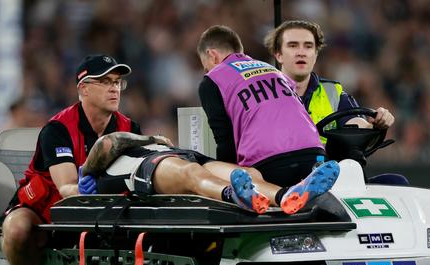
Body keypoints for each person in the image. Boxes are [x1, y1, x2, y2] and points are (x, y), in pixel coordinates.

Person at [0, 54, 141, 265]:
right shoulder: (58, 129)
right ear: (83, 89)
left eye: (117, 82)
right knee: (15, 229)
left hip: (101, 214)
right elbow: (66, 187)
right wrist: (93, 187)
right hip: (47, 213)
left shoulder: (128, 128)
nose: (114, 88)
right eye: (104, 82)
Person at [196, 25, 336, 188]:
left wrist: (227, 180)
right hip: (314, 155)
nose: (207, 71)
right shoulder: (273, 70)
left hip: (268, 166)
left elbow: (224, 141)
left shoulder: (213, 79)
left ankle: (280, 194)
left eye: (205, 66)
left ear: (212, 55)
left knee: (207, 168)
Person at [79, 131, 340, 216]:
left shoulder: (132, 139)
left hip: (177, 155)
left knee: (246, 172)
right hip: (148, 167)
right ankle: (233, 196)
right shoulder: (105, 164)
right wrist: (151, 137)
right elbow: (108, 143)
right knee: (191, 174)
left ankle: (287, 196)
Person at [264, 20, 395, 141]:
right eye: (293, 46)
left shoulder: (333, 93)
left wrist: (376, 124)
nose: (301, 52)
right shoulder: (261, 94)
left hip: (327, 164)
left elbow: (356, 126)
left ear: (316, 54)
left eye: (308, 46)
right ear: (278, 55)